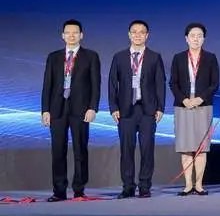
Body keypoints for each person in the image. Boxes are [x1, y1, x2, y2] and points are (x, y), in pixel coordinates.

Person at [41, 19, 101, 202]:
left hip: (81, 109)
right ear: (62, 35)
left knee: (80, 150)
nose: (71, 35)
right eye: (68, 32)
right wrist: (45, 110)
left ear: (81, 35)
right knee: (58, 151)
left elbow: (95, 85)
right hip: (57, 109)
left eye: (75, 32)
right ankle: (59, 191)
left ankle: (79, 189)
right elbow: (47, 85)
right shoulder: (53, 57)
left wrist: (93, 108)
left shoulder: (91, 56)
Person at [108, 20, 166, 199]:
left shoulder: (154, 57)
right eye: (134, 32)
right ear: (129, 34)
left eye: (142, 32)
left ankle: (145, 186)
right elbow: (112, 84)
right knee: (126, 150)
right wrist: (113, 107)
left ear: (147, 35)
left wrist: (160, 107)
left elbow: (160, 84)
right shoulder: (119, 57)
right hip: (125, 110)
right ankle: (128, 186)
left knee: (147, 149)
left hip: (148, 110)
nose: (138, 35)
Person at [169, 23, 220, 196]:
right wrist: (184, 99)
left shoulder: (211, 58)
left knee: (201, 147)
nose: (196, 39)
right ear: (186, 38)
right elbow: (173, 83)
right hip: (183, 106)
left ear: (203, 39)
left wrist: (200, 98)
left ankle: (199, 185)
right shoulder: (178, 58)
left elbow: (214, 84)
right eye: (192, 35)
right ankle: (188, 185)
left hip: (203, 106)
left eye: (199, 36)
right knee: (185, 147)